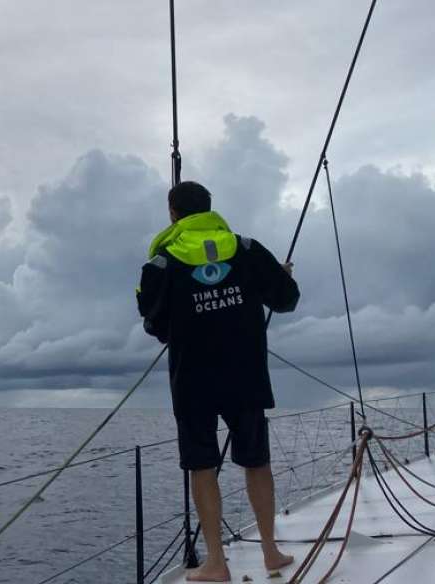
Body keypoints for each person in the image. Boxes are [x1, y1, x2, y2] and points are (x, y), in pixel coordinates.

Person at [136, 181, 300, 582]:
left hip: (193, 382)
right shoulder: (245, 249)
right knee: (257, 462)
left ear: (173, 214)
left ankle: (216, 564)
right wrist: (279, 276)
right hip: (245, 376)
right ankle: (271, 552)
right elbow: (286, 299)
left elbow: (153, 324)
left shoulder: (160, 264)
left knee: (202, 467)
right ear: (210, 208)